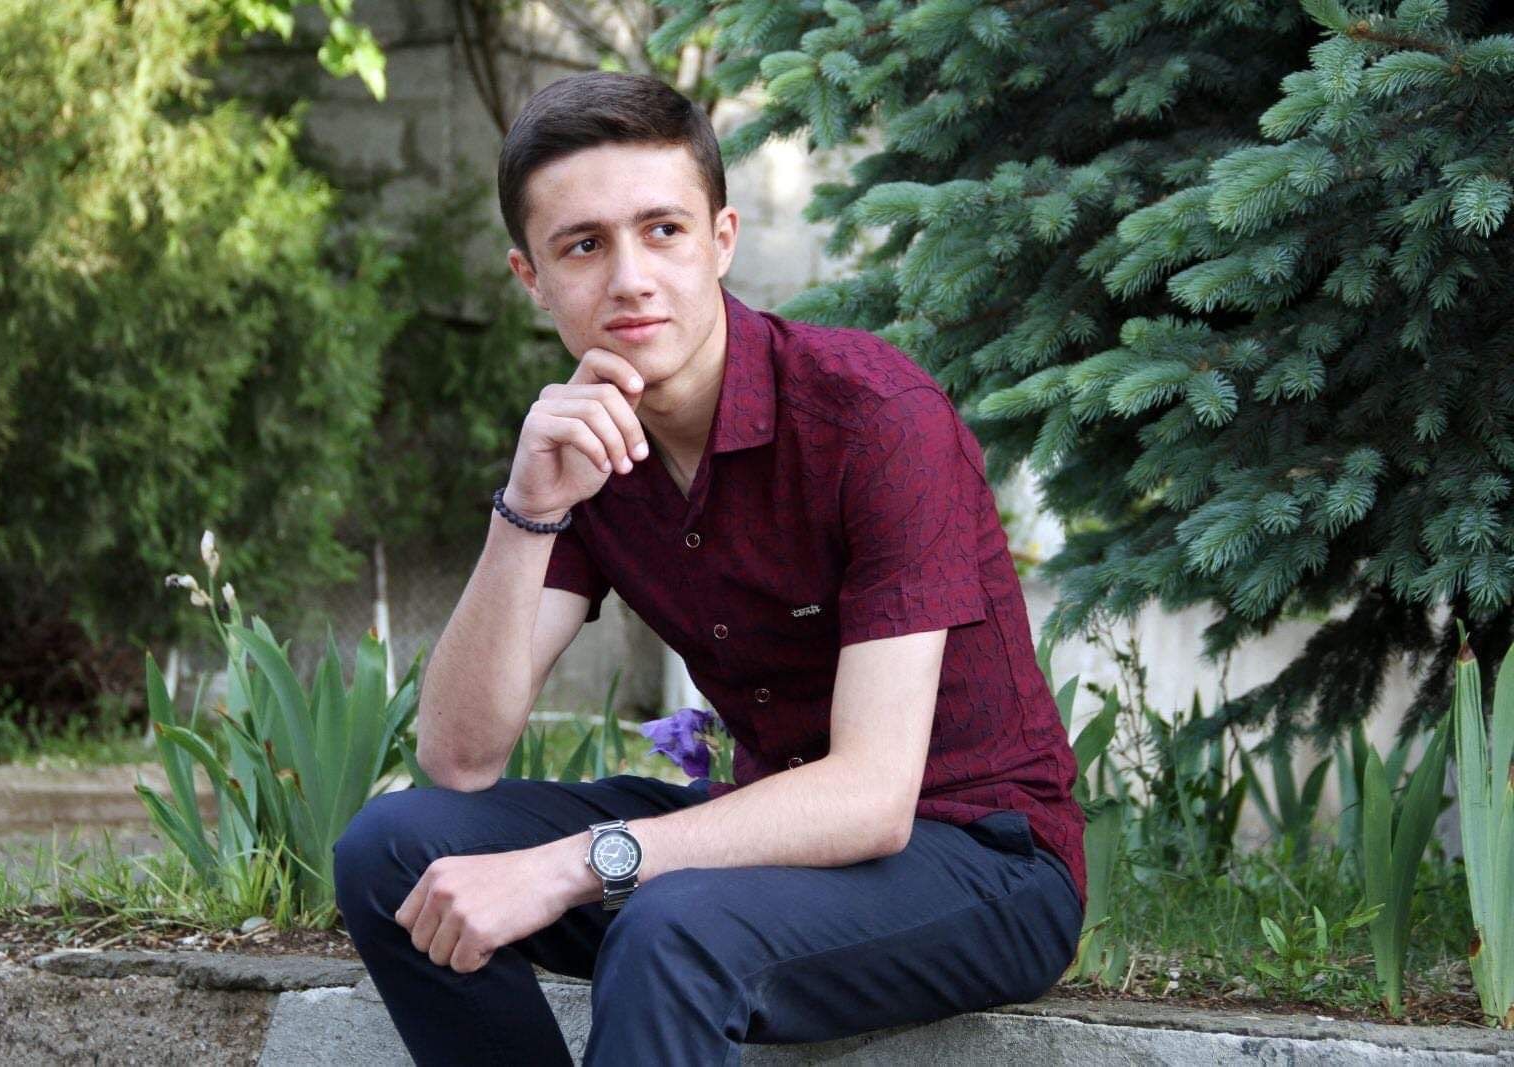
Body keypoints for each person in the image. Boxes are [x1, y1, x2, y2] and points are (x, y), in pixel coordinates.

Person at [333, 70, 1085, 1067]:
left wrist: (573, 864)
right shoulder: (585, 444)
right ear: (530, 277)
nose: (630, 278)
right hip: (769, 842)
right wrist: (527, 508)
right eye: (583, 245)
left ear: (721, 239)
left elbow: (871, 796)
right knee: (391, 850)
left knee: (673, 928)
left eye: (663, 230)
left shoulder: (875, 418)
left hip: (980, 860)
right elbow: (460, 758)